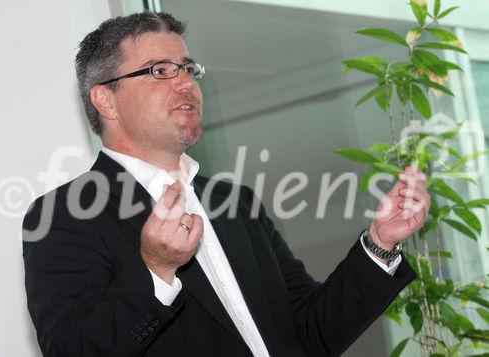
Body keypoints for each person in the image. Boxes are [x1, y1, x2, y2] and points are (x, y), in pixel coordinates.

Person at [23, 12, 429, 357]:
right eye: (160, 71)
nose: (185, 83)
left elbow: (308, 333)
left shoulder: (235, 204)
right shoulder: (66, 214)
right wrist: (156, 271)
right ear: (105, 100)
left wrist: (378, 243)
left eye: (188, 69)